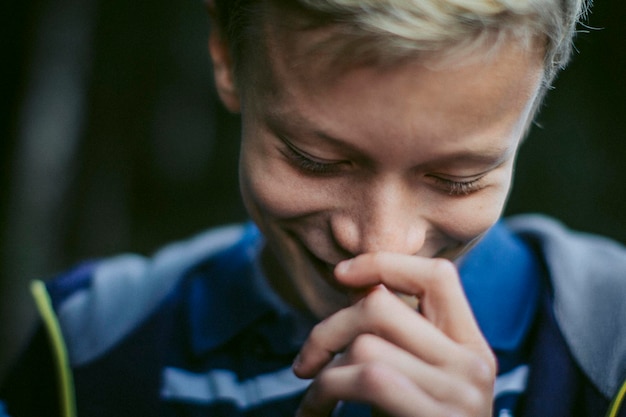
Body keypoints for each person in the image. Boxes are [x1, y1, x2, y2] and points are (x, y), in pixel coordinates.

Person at [2, 0, 626, 416]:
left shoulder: (611, 346)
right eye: (315, 160)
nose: (383, 244)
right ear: (225, 52)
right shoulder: (86, 352)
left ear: (532, 99)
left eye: (459, 179)